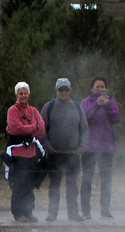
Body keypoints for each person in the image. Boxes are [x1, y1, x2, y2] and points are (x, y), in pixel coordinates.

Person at [39, 78, 88, 221]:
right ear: (56, 91)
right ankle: (52, 213)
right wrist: (48, 148)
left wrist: (81, 148)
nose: (64, 92)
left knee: (72, 185)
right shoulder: (49, 107)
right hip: (55, 154)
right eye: (61, 90)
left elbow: (84, 130)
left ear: (70, 91)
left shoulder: (78, 108)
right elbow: (42, 130)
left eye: (66, 89)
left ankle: (73, 213)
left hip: (73, 154)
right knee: (54, 185)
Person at [5, 81, 46, 222]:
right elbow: (16, 128)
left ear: (29, 94)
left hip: (31, 152)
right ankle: (18, 212)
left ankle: (29, 211)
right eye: (20, 93)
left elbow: (42, 130)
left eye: (25, 93)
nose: (23, 95)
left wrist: (29, 128)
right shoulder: (12, 110)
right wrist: (33, 127)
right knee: (19, 183)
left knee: (29, 183)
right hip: (17, 152)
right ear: (16, 94)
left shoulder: (33, 110)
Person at [80, 77, 119, 219]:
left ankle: (105, 210)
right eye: (98, 86)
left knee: (106, 180)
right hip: (89, 147)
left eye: (103, 86)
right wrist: (96, 104)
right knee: (87, 180)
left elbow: (116, 118)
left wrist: (108, 105)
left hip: (106, 147)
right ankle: (85, 211)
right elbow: (83, 117)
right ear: (92, 88)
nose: (100, 89)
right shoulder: (86, 102)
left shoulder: (110, 102)